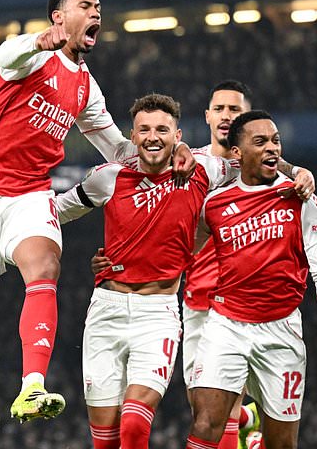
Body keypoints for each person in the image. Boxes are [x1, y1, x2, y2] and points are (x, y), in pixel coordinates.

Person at [0, 0, 197, 440]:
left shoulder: (85, 87)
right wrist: (37, 40)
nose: (96, 12)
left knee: (45, 267)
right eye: (85, 5)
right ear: (59, 16)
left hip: (30, 193)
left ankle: (32, 386)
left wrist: (175, 149)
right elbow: (3, 55)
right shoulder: (32, 56)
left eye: (99, 7)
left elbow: (119, 149)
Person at [90, 81, 314, 449]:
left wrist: (299, 170)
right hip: (196, 296)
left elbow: (283, 177)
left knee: (222, 412)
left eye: (235, 110)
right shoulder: (190, 163)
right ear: (207, 116)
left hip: (242, 303)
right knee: (204, 408)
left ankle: (245, 422)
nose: (227, 115)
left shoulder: (261, 171)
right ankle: (247, 423)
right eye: (220, 109)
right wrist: (120, 258)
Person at [57, 93, 240, 449]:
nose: (153, 137)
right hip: (106, 311)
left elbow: (251, 161)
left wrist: (296, 172)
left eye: (162, 130)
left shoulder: (202, 170)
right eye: (144, 130)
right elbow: (55, 211)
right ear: (133, 136)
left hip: (157, 315)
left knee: (134, 425)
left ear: (177, 135)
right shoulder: (108, 178)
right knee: (105, 441)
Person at [185, 111, 317, 449]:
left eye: (276, 141)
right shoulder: (214, 204)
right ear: (237, 153)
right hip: (226, 326)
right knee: (205, 423)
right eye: (260, 142)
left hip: (281, 330)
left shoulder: (303, 201)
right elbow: (182, 252)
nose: (272, 148)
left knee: (281, 443)